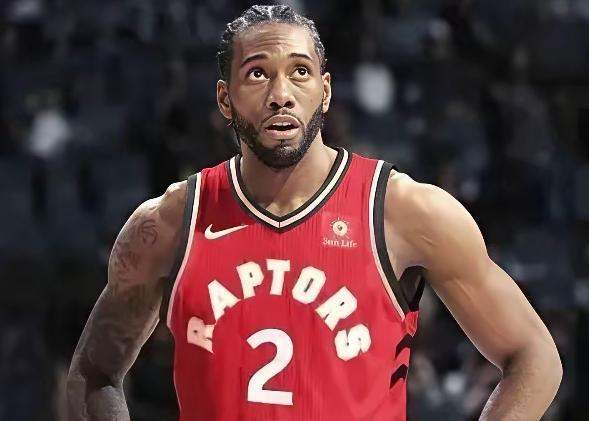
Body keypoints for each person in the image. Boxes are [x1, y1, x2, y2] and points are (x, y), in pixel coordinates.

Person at [66, 5, 562, 420]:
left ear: (324, 91)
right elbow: (93, 373)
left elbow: (534, 357)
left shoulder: (405, 211)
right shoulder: (171, 222)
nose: (281, 94)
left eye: (299, 72)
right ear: (225, 99)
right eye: (257, 73)